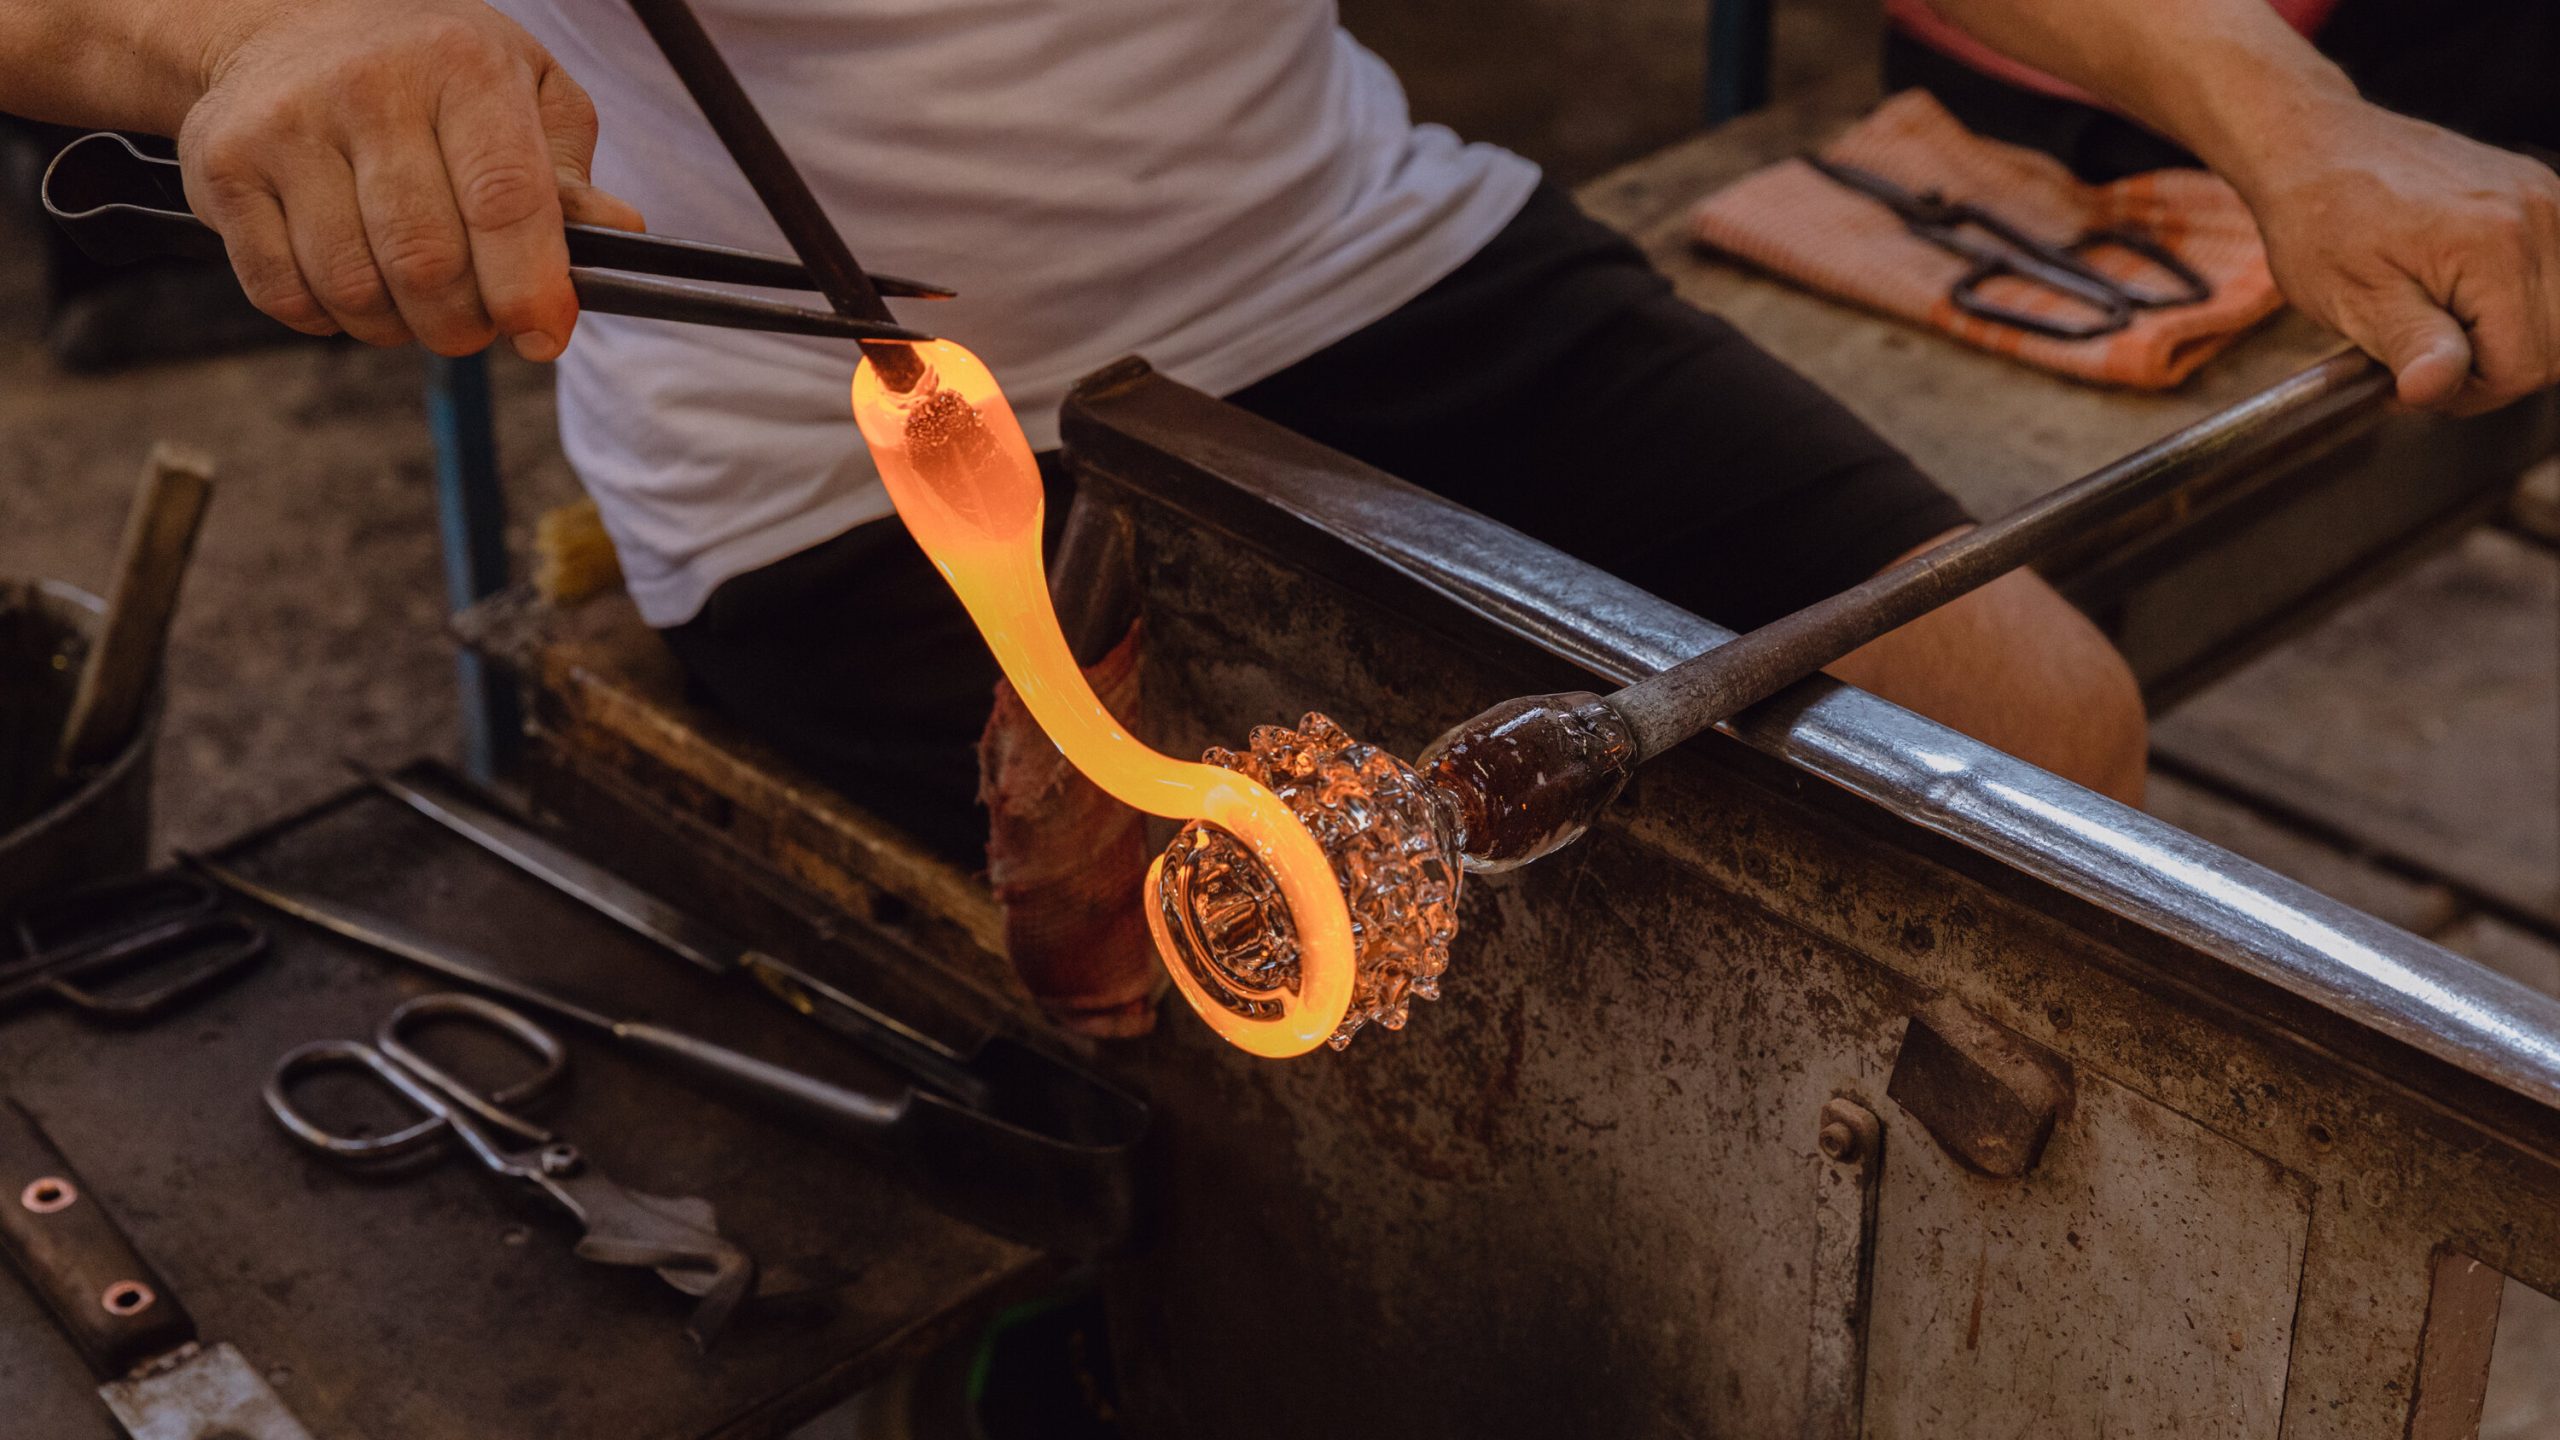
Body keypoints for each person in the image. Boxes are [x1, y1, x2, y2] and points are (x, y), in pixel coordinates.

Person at [3, 0, 2547, 860]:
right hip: (863, 462)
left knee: (2035, 751)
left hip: (1379, 249)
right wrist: (267, 36)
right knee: (1374, 972)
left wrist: (2273, 112)